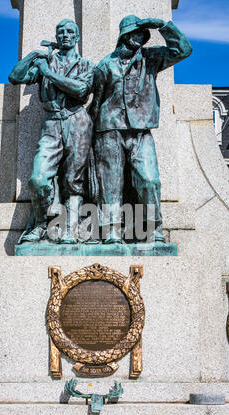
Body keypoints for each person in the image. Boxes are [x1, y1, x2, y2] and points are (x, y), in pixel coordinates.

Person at [89, 16, 192, 244]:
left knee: (150, 180)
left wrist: (163, 26)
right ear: (125, 35)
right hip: (109, 129)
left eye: (142, 34)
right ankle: (111, 231)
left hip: (141, 130)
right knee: (110, 183)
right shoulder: (106, 64)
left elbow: (183, 50)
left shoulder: (151, 58)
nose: (139, 37)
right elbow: (96, 102)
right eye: (135, 33)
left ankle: (153, 228)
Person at [9, 19, 95, 243]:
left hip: (77, 120)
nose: (65, 35)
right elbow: (15, 77)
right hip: (51, 121)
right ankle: (39, 225)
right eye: (61, 32)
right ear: (57, 38)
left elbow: (80, 90)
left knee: (73, 179)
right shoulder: (46, 61)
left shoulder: (85, 65)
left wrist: (48, 73)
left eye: (69, 32)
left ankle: (71, 230)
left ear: (76, 37)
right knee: (38, 178)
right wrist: (33, 56)